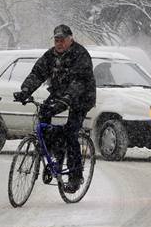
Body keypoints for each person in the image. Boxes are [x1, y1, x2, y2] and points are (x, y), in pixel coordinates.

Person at [13, 24, 96, 193]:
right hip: (59, 94)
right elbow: (37, 74)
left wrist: (67, 99)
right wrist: (25, 91)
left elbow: (79, 81)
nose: (59, 43)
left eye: (62, 40)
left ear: (70, 39)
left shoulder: (80, 55)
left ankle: (75, 176)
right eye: (56, 40)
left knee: (71, 133)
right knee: (44, 112)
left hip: (81, 97)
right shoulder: (50, 56)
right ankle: (53, 155)